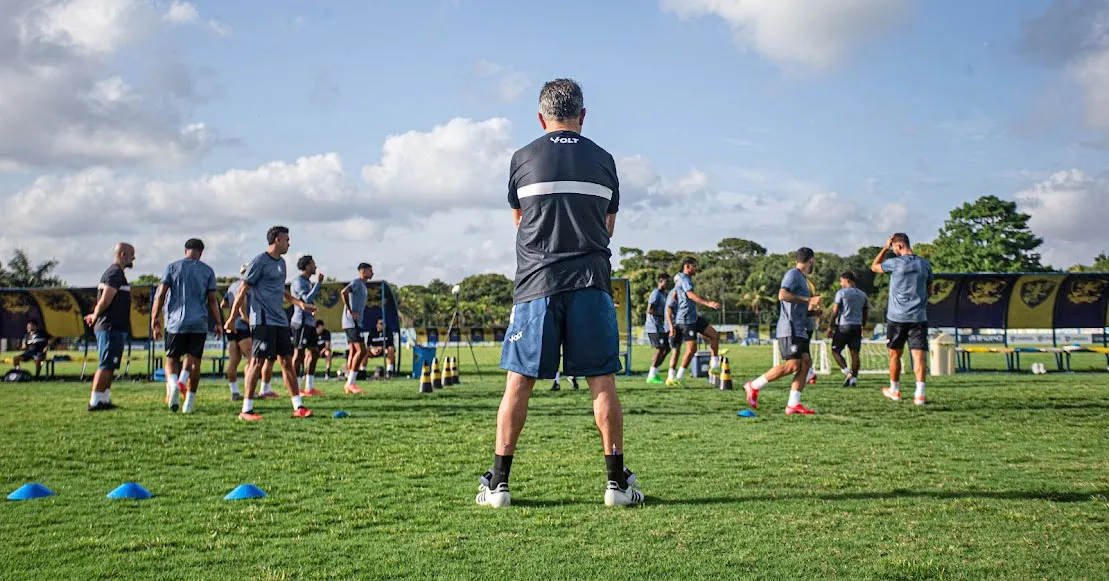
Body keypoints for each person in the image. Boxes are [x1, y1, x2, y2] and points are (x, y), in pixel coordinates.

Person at [476, 78, 642, 508]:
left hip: (536, 285)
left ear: (540, 117)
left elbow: (519, 221)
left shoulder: (521, 157)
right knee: (601, 381)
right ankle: (617, 486)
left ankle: (498, 485)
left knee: (519, 383)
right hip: (591, 283)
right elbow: (607, 227)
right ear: (583, 116)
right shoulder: (604, 160)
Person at [224, 226, 316, 420]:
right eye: (286, 240)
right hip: (262, 320)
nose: (289, 243)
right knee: (257, 362)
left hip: (280, 320)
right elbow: (243, 290)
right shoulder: (260, 261)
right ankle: (246, 410)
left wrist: (299, 303)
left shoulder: (282, 263)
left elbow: (280, 290)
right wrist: (232, 318)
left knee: (286, 362)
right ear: (276, 240)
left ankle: (298, 406)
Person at [742, 247, 823, 415]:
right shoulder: (793, 274)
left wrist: (812, 312)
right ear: (811, 260)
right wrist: (809, 299)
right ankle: (754, 385)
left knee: (805, 364)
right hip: (790, 328)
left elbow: (795, 306)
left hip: (799, 328)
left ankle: (793, 405)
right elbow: (782, 295)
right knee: (793, 365)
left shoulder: (802, 278)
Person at [150, 238, 222, 413]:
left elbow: (160, 295)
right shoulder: (207, 271)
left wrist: (155, 318)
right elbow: (212, 300)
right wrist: (219, 323)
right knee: (195, 362)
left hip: (175, 322)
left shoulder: (172, 267)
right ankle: (189, 402)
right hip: (199, 322)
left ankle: (173, 384)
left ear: (185, 251)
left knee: (171, 360)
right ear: (201, 252)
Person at [870, 233, 934, 405]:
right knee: (919, 356)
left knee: (894, 355)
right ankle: (919, 394)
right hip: (918, 317)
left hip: (897, 317)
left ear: (898, 246)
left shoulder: (895, 263)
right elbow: (931, 291)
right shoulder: (925, 264)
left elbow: (874, 266)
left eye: (893, 248)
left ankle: (895, 390)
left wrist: (884, 248)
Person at [84, 242, 135, 411]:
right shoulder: (114, 274)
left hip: (115, 327)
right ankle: (95, 401)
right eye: (131, 255)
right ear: (123, 255)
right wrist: (95, 315)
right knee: (106, 364)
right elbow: (105, 300)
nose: (133, 258)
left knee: (111, 364)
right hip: (110, 326)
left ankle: (104, 399)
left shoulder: (117, 274)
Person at [665, 257, 724, 388]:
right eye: (694, 266)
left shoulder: (682, 279)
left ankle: (714, 366)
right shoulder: (684, 279)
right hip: (685, 320)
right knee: (691, 349)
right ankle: (678, 377)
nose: (696, 269)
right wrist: (707, 303)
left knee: (714, 335)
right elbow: (690, 295)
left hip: (693, 317)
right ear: (687, 266)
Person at [827, 271, 869, 387]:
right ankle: (854, 379)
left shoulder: (841, 293)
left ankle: (847, 372)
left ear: (847, 280)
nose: (841, 284)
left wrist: (830, 326)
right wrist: (862, 326)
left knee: (835, 350)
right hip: (856, 326)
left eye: (841, 281)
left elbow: (835, 311)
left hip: (844, 326)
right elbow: (865, 312)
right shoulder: (863, 295)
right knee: (855, 353)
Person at [290, 255, 324, 396]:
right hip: (300, 323)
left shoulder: (306, 281)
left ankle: (309, 387)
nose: (315, 267)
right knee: (299, 354)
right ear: (307, 266)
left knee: (315, 352)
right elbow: (306, 300)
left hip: (309, 322)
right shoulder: (298, 282)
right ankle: (296, 388)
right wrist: (319, 283)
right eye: (313, 264)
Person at [340, 263, 373, 394]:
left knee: (354, 351)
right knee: (362, 350)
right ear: (363, 271)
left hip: (354, 322)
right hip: (351, 322)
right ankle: (351, 382)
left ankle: (349, 383)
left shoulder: (363, 285)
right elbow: (344, 292)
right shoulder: (357, 282)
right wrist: (349, 310)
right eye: (370, 271)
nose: (372, 273)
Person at [223, 264, 251, 401]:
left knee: (234, 360)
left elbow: (223, 304)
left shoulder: (232, 286)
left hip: (232, 325)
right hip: (242, 325)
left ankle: (234, 391)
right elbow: (242, 301)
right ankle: (248, 391)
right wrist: (246, 318)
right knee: (252, 359)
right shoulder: (247, 284)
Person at [644, 273, 671, 384]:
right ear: (660, 281)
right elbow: (649, 309)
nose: (668, 284)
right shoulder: (655, 293)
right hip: (653, 327)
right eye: (666, 281)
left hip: (661, 327)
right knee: (660, 349)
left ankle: (655, 371)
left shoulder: (664, 294)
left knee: (667, 349)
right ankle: (651, 375)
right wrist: (662, 314)